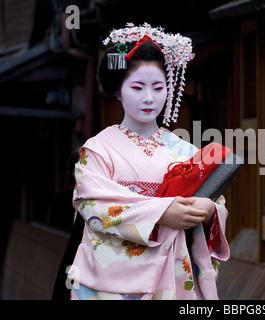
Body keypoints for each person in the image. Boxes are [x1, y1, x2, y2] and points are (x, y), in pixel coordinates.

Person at [67, 23, 230, 300]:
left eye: (158, 87)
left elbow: (217, 201)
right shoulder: (97, 149)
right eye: (137, 87)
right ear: (118, 90)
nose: (149, 98)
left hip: (174, 270)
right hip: (112, 282)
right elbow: (92, 204)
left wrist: (210, 211)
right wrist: (162, 212)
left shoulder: (183, 149)